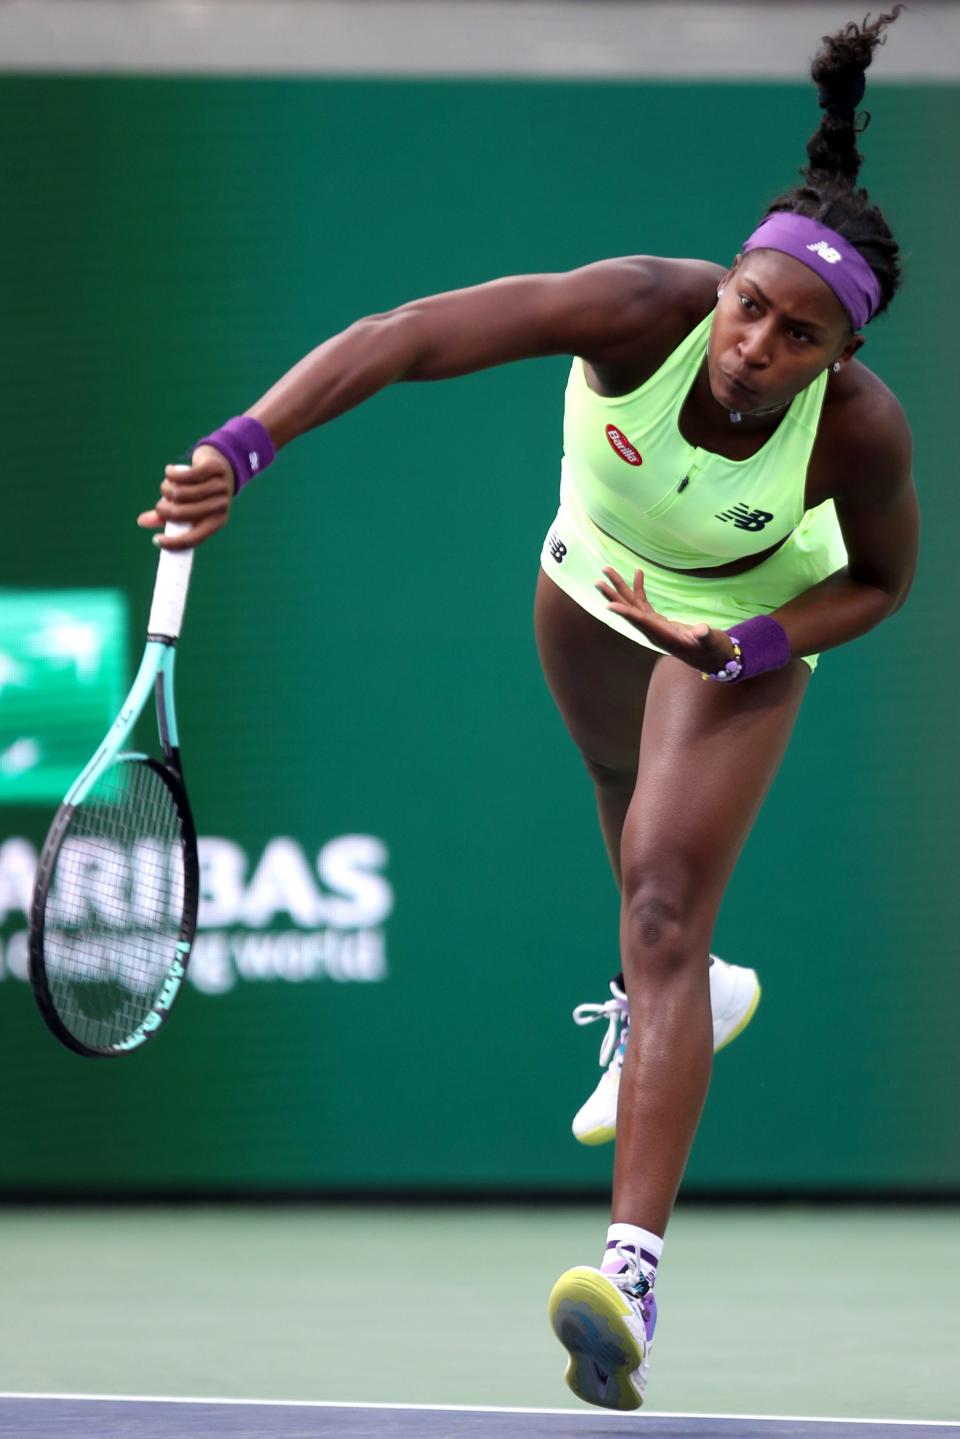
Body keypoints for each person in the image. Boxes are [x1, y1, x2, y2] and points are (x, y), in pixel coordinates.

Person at [139, 8, 915, 1412]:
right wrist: (240, 448)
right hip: (587, 588)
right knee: (631, 848)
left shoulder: (858, 431)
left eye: (798, 336)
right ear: (724, 283)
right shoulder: (641, 309)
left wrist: (746, 644)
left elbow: (881, 583)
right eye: (750, 305)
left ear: (837, 359)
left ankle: (626, 1276)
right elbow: (409, 335)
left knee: (670, 904)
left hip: (737, 629)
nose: (755, 346)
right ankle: (666, 994)